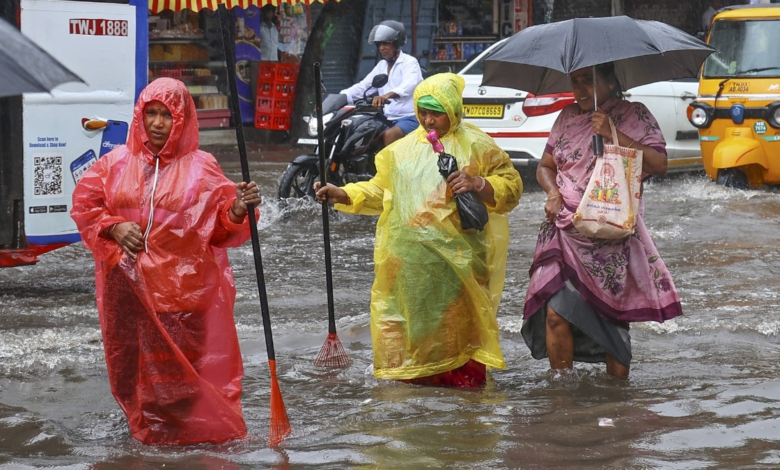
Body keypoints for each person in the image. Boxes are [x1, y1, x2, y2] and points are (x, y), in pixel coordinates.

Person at [70, 78, 260, 445]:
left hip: (182, 299)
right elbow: (85, 207)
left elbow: (220, 226)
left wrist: (238, 208)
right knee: (134, 377)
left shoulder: (202, 167)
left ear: (183, 120)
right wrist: (113, 227)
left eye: (167, 115)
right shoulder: (113, 165)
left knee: (183, 384)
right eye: (151, 114)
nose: (157, 123)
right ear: (139, 117)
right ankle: (148, 444)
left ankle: (183, 449)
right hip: (125, 297)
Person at [314, 73, 523, 388]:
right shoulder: (399, 152)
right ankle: (422, 404)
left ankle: (463, 409)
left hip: (459, 263)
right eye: (421, 112)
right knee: (416, 333)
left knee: (458, 333)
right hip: (409, 262)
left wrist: (478, 183)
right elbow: (379, 192)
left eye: (435, 112)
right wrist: (344, 194)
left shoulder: (478, 145)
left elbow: (512, 185)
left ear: (452, 110)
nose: (428, 120)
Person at [521, 63, 683, 378]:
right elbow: (545, 166)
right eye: (575, 81)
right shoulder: (567, 117)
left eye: (589, 81)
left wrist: (613, 132)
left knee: (611, 320)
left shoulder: (634, 114)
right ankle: (562, 392)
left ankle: (616, 399)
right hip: (564, 229)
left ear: (610, 82)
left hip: (611, 234)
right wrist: (553, 193)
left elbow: (660, 165)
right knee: (555, 314)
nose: (580, 90)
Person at [340, 20, 423, 147]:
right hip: (386, 118)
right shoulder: (381, 65)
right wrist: (341, 97)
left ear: (397, 44)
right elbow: (364, 86)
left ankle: (388, 167)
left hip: (409, 117)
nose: (381, 48)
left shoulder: (410, 62)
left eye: (386, 43)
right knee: (359, 130)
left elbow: (409, 84)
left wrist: (386, 96)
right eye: (379, 44)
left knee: (390, 135)